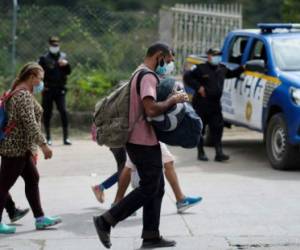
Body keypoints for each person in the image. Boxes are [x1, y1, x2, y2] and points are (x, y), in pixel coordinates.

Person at [93, 42, 189, 249]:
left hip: (143, 140)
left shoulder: (140, 72)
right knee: (149, 187)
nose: (170, 65)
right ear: (159, 56)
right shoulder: (147, 76)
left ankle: (151, 235)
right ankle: (106, 220)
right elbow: (151, 109)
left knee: (158, 187)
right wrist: (174, 99)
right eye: (169, 60)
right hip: (142, 140)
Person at [0, 62, 62, 234]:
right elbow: (30, 124)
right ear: (32, 77)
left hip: (22, 147)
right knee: (3, 186)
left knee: (32, 179)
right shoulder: (23, 96)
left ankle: (40, 218)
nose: (42, 82)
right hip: (16, 148)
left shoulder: (20, 92)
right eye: (40, 79)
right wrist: (44, 146)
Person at [184, 48, 244, 162]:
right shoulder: (200, 68)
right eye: (215, 55)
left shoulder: (222, 68)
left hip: (215, 104)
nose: (217, 57)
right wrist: (198, 87)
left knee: (218, 128)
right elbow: (187, 77)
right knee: (200, 128)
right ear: (209, 56)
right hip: (201, 103)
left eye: (219, 55)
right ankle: (200, 152)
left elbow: (232, 74)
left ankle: (219, 153)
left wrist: (243, 68)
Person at [38, 36, 72, 146]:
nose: (55, 47)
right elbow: (39, 73)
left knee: (63, 111)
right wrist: (41, 86)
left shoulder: (63, 57)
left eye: (56, 45)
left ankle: (66, 138)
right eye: (53, 45)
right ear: (50, 45)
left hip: (60, 89)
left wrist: (66, 65)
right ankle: (48, 137)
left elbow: (68, 72)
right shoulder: (44, 58)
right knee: (47, 113)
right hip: (48, 89)